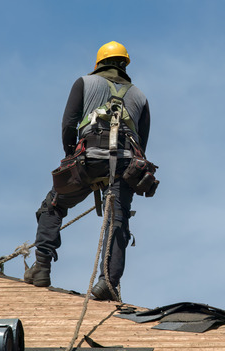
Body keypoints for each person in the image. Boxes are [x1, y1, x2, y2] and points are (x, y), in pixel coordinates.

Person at [24, 41, 151, 301]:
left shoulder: (84, 83)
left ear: (98, 63)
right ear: (125, 64)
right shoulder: (140, 96)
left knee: (53, 205)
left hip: (88, 159)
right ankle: (108, 282)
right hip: (126, 165)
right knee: (117, 220)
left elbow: (69, 123)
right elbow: (143, 144)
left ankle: (42, 269)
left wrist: (71, 156)